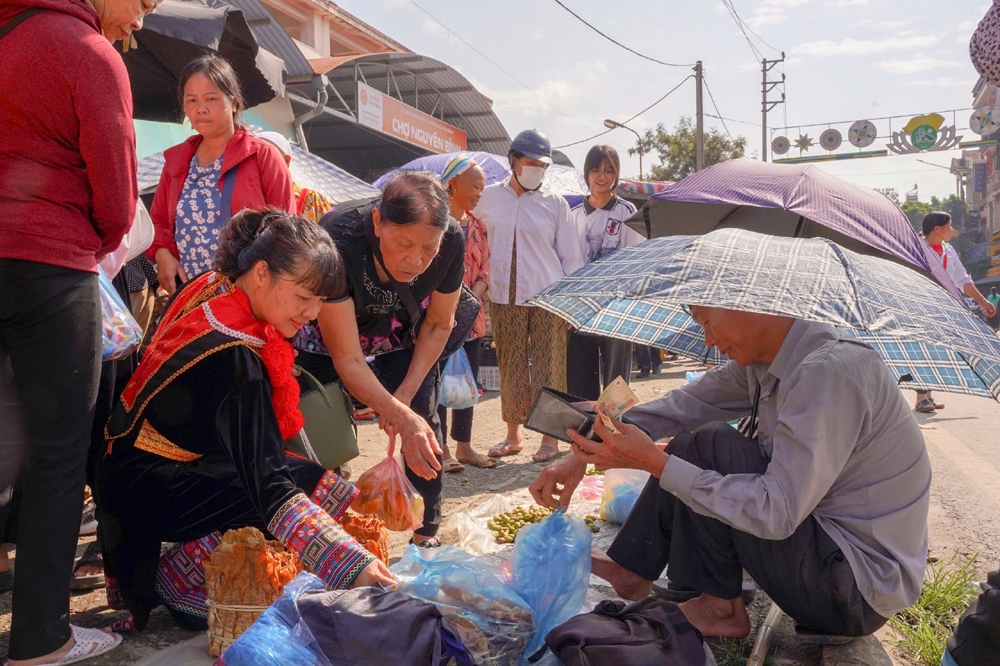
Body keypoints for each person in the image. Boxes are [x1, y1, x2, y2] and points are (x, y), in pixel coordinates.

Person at [531, 306, 931, 640]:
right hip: (823, 558)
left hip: (850, 591)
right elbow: (680, 407)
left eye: (707, 322)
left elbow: (776, 512)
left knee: (706, 447)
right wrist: (585, 446)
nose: (707, 340)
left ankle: (720, 610)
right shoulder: (765, 365)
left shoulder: (827, 373)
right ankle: (630, 571)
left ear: (749, 306)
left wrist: (653, 462)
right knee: (696, 444)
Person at [96, 209, 393, 634]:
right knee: (290, 491)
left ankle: (192, 561)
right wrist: (351, 565)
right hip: (146, 490)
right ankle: (181, 579)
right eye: (303, 297)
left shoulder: (213, 288)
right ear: (260, 273)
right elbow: (271, 486)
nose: (312, 315)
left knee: (307, 478)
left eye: (319, 302)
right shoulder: (239, 363)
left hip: (127, 465)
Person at [0, 0, 160, 660]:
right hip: (49, 267)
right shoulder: (87, 52)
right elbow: (118, 197)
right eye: (144, 2)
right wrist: (90, 242)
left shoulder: (9, 33)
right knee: (59, 452)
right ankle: (41, 635)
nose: (142, 21)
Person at [294, 172, 465, 548]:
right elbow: (348, 357)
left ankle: (426, 535)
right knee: (320, 430)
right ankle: (318, 538)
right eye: (403, 243)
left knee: (422, 420)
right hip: (332, 339)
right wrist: (395, 413)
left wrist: (403, 401)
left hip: (401, 335)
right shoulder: (339, 236)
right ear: (377, 222)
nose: (416, 261)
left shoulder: (452, 239)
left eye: (428, 249)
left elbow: (438, 323)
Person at [475, 129, 585, 462]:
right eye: (531, 163)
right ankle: (513, 436)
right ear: (513, 161)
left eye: (543, 165)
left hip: (548, 298)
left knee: (550, 366)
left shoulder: (555, 204)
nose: (538, 169)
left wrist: (570, 304)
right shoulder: (487, 198)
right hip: (503, 297)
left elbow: (571, 258)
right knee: (511, 366)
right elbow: (476, 245)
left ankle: (550, 440)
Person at [148, 55, 294, 296]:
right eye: (191, 100)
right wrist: (162, 255)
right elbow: (159, 222)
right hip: (189, 294)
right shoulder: (177, 161)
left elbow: (287, 229)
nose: (200, 108)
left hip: (248, 297)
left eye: (211, 98)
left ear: (234, 102)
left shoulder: (262, 156)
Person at [567, 146, 643, 399]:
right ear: (587, 173)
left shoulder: (626, 212)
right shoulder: (573, 215)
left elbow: (634, 261)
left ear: (617, 174)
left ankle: (614, 433)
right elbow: (568, 263)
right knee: (579, 379)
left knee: (616, 380)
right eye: (596, 170)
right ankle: (583, 437)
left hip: (615, 307)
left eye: (609, 170)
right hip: (580, 307)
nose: (602, 176)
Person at [436, 156, 494, 473]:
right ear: (454, 183)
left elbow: (485, 269)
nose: (478, 194)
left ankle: (465, 447)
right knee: (439, 382)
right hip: (437, 320)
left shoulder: (478, 227)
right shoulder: (434, 223)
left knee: (466, 382)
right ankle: (441, 449)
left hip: (470, 318)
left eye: (482, 189)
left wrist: (471, 299)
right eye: (474, 186)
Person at [917, 212, 996, 412]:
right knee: (924, 349)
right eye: (949, 225)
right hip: (923, 304)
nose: (952, 229)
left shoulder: (949, 250)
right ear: (937, 229)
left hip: (944, 307)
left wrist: (983, 301)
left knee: (937, 350)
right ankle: (920, 398)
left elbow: (962, 280)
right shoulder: (918, 248)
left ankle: (929, 396)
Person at [255, 130, 335, 224]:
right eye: (255, 156)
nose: (261, 161)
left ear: (286, 160)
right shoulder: (244, 195)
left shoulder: (312, 200)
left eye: (270, 156)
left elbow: (331, 234)